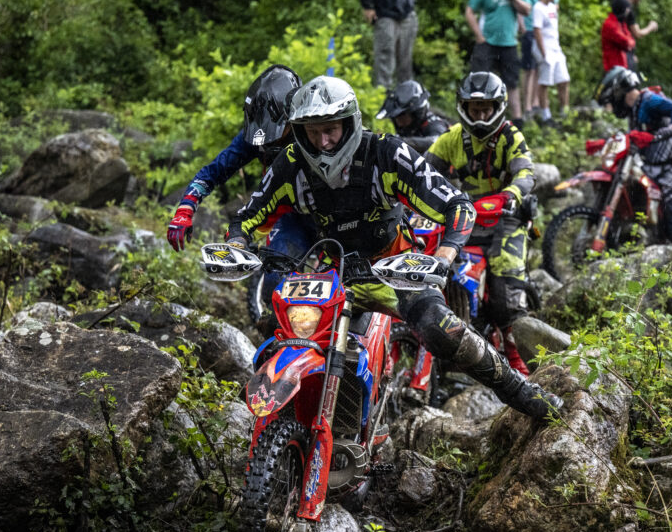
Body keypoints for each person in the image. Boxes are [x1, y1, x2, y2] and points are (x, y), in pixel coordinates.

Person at [226, 75, 562, 422]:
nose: (323, 142)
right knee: (279, 327)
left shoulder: (385, 152)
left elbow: (458, 206)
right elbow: (246, 215)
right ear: (298, 131)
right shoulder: (290, 163)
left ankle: (527, 394)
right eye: (312, 132)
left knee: (441, 329)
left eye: (330, 130)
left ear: (349, 122)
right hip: (335, 276)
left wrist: (444, 256)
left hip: (395, 269)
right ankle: (288, 427)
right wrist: (237, 243)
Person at [166, 65, 318, 308]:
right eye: (265, 137)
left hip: (334, 212)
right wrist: (185, 209)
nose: (269, 142)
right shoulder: (254, 136)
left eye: (276, 134)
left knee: (352, 285)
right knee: (275, 286)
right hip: (288, 214)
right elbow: (211, 172)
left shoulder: (317, 129)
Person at [424, 71, 536, 374]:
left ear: (498, 106)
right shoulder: (451, 138)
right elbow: (422, 173)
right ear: (464, 107)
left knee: (505, 297)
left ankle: (517, 359)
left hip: (506, 219)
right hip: (465, 219)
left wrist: (509, 195)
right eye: (476, 110)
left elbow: (526, 173)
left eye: (487, 109)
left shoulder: (511, 135)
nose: (481, 115)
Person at [598, 67, 672, 246]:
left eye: (611, 100)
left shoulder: (649, 100)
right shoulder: (633, 111)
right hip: (650, 165)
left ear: (619, 92)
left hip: (670, 166)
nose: (612, 106)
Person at [465, 0, 532, 126]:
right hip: (487, 43)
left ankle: (517, 121)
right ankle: (476, 119)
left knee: (512, 82)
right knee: (479, 81)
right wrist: (478, 36)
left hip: (509, 43)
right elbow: (469, 11)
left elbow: (527, 10)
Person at [361, 0, 418, 88]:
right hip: (385, 14)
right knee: (385, 59)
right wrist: (368, 6)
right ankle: (382, 96)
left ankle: (407, 97)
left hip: (407, 14)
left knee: (405, 61)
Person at [531, 0, 569, 125]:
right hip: (545, 49)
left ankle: (564, 112)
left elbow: (555, 8)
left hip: (556, 48)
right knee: (545, 83)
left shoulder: (552, 7)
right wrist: (543, 53)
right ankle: (545, 115)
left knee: (564, 80)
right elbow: (537, 31)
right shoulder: (538, 8)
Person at [376, 80, 450, 153]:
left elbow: (437, 141)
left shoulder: (435, 124)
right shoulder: (408, 130)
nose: (399, 123)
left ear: (415, 114)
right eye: (396, 119)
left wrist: (397, 141)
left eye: (402, 118)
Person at [517, 0, 547, 120]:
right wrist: (521, 25)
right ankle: (526, 107)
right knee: (529, 69)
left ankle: (535, 105)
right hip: (529, 28)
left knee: (539, 68)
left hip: (541, 31)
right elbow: (518, 1)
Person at [624, 0, 658, 72]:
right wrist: (651, 27)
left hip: (621, 52)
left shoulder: (621, 7)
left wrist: (631, 54)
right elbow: (637, 33)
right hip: (623, 55)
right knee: (630, 84)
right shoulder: (628, 8)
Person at [600, 0, 635, 74]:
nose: (628, 12)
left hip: (622, 67)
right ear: (622, 9)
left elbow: (631, 40)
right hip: (613, 69)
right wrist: (630, 43)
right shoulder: (611, 25)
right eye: (627, 9)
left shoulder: (620, 23)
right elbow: (626, 42)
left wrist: (630, 42)